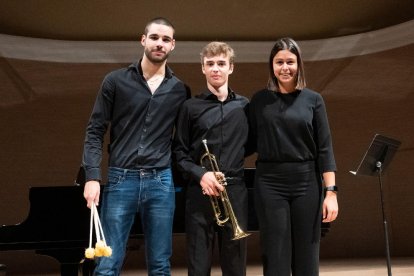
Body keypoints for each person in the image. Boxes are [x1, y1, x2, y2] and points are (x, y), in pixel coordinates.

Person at [82, 17, 190, 276]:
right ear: (143, 40)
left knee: (161, 265)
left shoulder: (179, 90)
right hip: (121, 179)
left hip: (160, 182)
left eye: (166, 40)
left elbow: (181, 142)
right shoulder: (115, 81)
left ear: (173, 45)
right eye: (154, 37)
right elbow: (95, 130)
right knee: (107, 264)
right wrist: (92, 176)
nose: (159, 44)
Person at [248, 37, 339, 276]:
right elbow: (247, 142)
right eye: (279, 62)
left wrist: (331, 192)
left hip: (307, 182)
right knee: (275, 252)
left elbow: (325, 149)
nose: (284, 67)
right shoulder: (259, 100)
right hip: (269, 183)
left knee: (307, 254)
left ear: (299, 65)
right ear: (272, 66)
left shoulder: (313, 99)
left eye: (290, 61)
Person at [173, 41, 250, 276]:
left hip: (234, 190)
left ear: (231, 68)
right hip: (200, 192)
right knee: (198, 265)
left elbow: (252, 145)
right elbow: (179, 153)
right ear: (203, 68)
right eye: (210, 64)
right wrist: (202, 174)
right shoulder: (190, 107)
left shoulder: (245, 106)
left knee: (236, 265)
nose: (216, 68)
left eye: (221, 63)